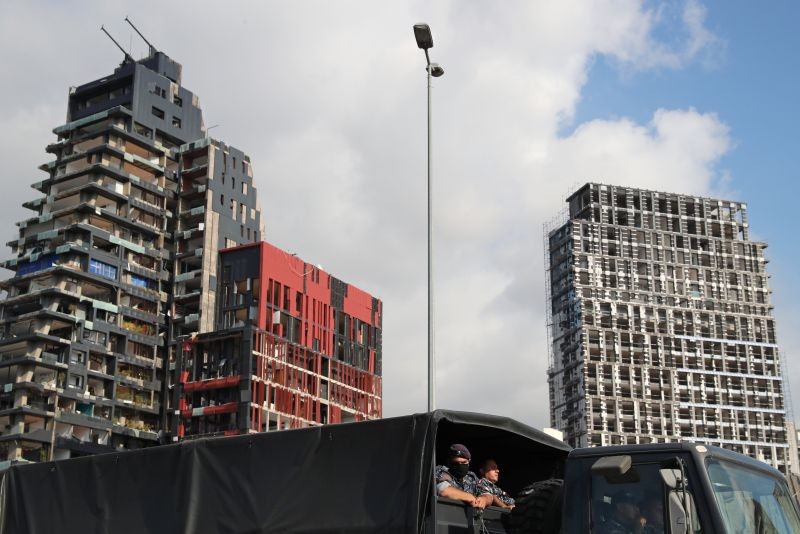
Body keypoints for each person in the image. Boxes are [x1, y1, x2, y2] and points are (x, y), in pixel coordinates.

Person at [434, 443, 493, 509]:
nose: (460, 465)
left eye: (463, 462)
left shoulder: (471, 477)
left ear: (469, 461)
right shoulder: (441, 471)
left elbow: (488, 494)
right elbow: (442, 490)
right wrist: (469, 497)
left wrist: (484, 499)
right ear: (449, 462)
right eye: (456, 463)